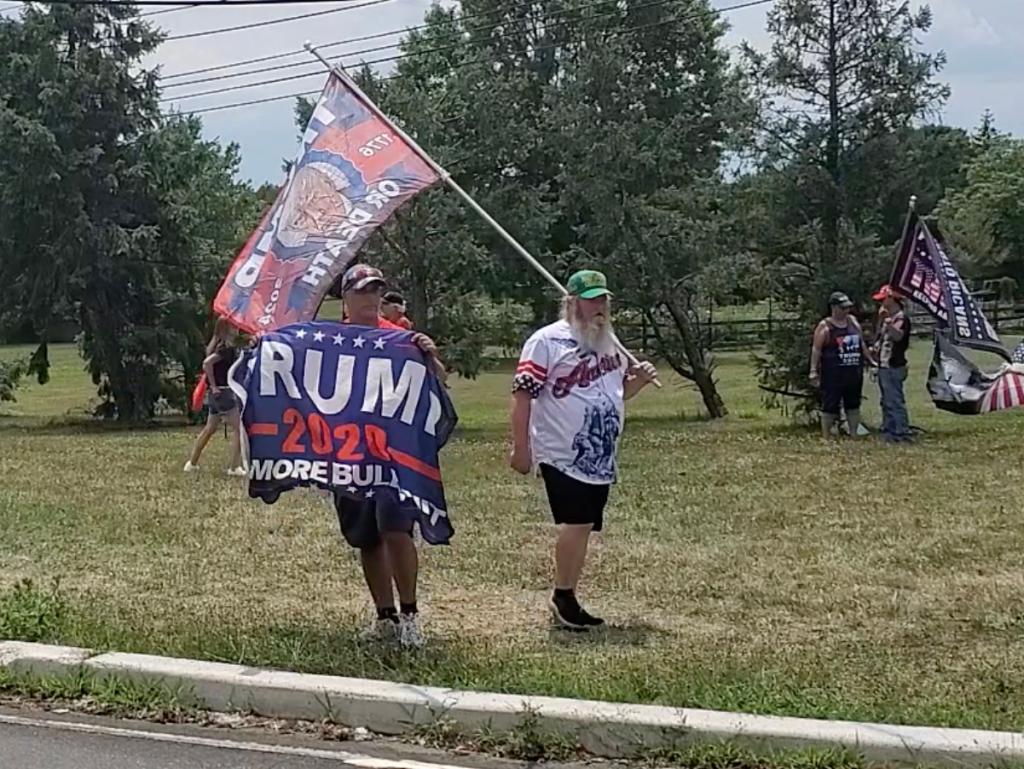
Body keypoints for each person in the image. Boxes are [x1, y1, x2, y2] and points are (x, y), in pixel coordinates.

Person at [509, 269, 658, 630]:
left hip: (600, 455)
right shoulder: (547, 341)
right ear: (571, 302)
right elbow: (522, 394)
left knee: (586, 523)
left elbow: (617, 394)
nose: (599, 307)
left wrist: (636, 381)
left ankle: (568, 592)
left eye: (603, 299)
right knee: (576, 522)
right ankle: (564, 597)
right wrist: (520, 447)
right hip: (561, 449)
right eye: (591, 299)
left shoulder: (609, 341)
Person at [333, 263, 445, 648]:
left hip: (394, 454)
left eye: (376, 291)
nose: (370, 299)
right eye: (362, 292)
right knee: (366, 538)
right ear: (345, 298)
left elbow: (438, 384)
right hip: (349, 452)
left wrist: (431, 357)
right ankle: (385, 617)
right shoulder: (328, 340)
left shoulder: (402, 339)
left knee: (397, 531)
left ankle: (411, 615)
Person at [184, 318, 246, 476]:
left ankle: (192, 463)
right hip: (223, 393)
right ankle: (234, 467)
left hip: (215, 395)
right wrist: (214, 385)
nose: (237, 327)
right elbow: (207, 364)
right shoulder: (225, 349)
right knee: (240, 428)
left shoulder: (218, 346)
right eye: (234, 325)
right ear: (226, 328)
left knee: (209, 429)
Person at [809, 292, 874, 439]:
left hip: (853, 372)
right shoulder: (825, 326)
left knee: (853, 404)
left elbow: (861, 343)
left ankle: (854, 432)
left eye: (847, 308)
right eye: (843, 308)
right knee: (830, 405)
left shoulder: (852, 322)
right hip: (833, 374)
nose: (846, 311)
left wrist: (870, 360)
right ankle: (827, 435)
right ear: (833, 308)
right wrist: (813, 370)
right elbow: (816, 349)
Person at [873, 284, 913, 443]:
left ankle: (901, 431)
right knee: (886, 400)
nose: (881, 302)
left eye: (884, 299)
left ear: (892, 299)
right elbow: (881, 337)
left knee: (895, 399)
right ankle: (889, 429)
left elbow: (898, 336)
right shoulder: (886, 318)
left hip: (894, 365)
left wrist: (888, 322)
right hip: (884, 364)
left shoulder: (901, 318)